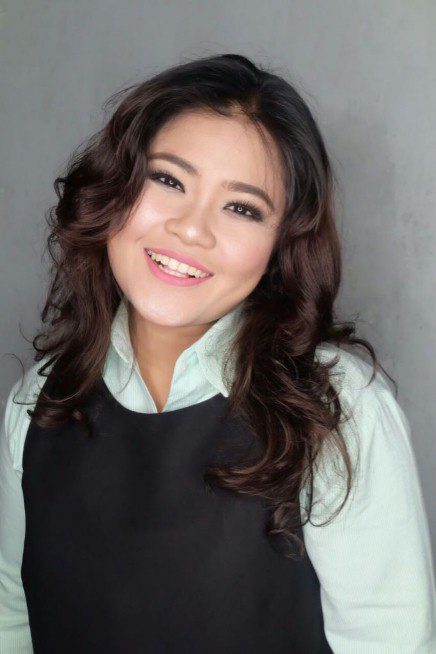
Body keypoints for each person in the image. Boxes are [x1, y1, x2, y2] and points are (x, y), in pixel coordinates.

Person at [0, 53, 435, 653]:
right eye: (168, 180)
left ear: (282, 245)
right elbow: (11, 618)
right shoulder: (40, 398)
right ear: (114, 187)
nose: (191, 229)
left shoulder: (334, 408)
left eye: (242, 208)